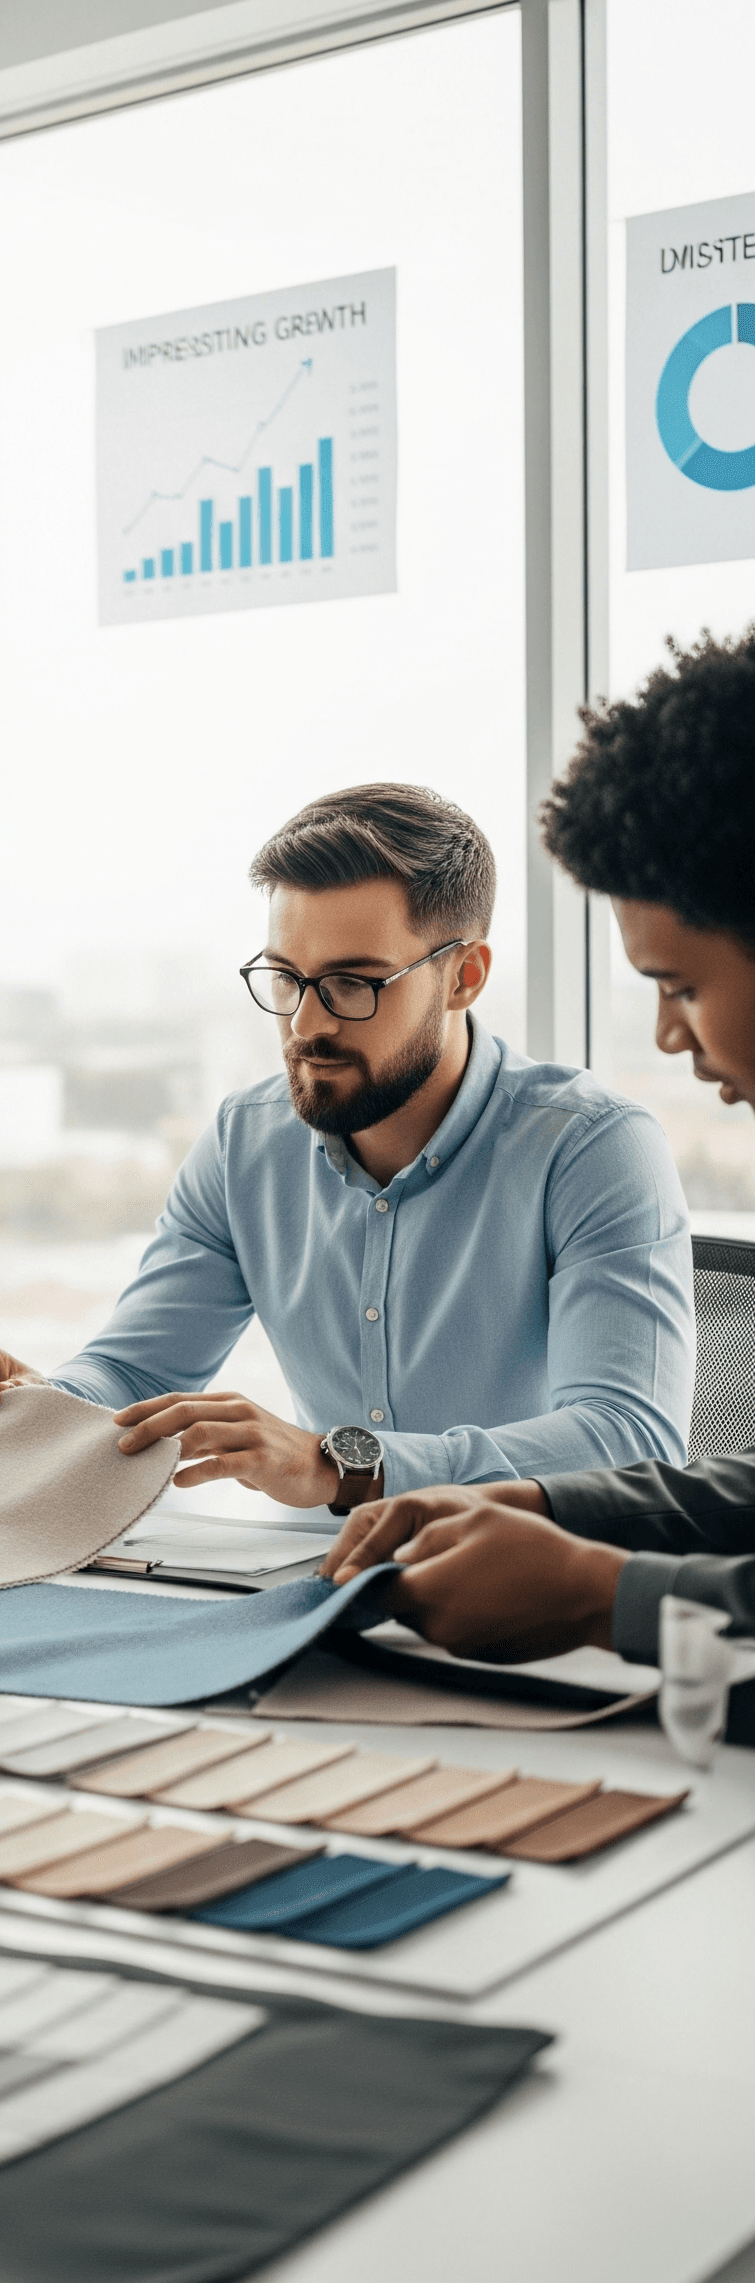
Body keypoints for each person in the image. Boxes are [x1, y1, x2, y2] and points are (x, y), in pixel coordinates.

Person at [0, 782, 694, 1512]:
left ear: (464, 976)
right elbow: (134, 1370)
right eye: (286, 979)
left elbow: (628, 1439)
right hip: (318, 1587)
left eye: (352, 984)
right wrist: (42, 1405)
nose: (304, 1025)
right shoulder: (245, 1144)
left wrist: (342, 1464)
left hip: (536, 1596)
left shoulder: (593, 1147)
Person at [322, 627, 755, 1666]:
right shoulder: (246, 1139)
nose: (667, 1033)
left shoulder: (590, 1140)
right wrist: (550, 1503)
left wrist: (604, 1593)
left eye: (682, 985)